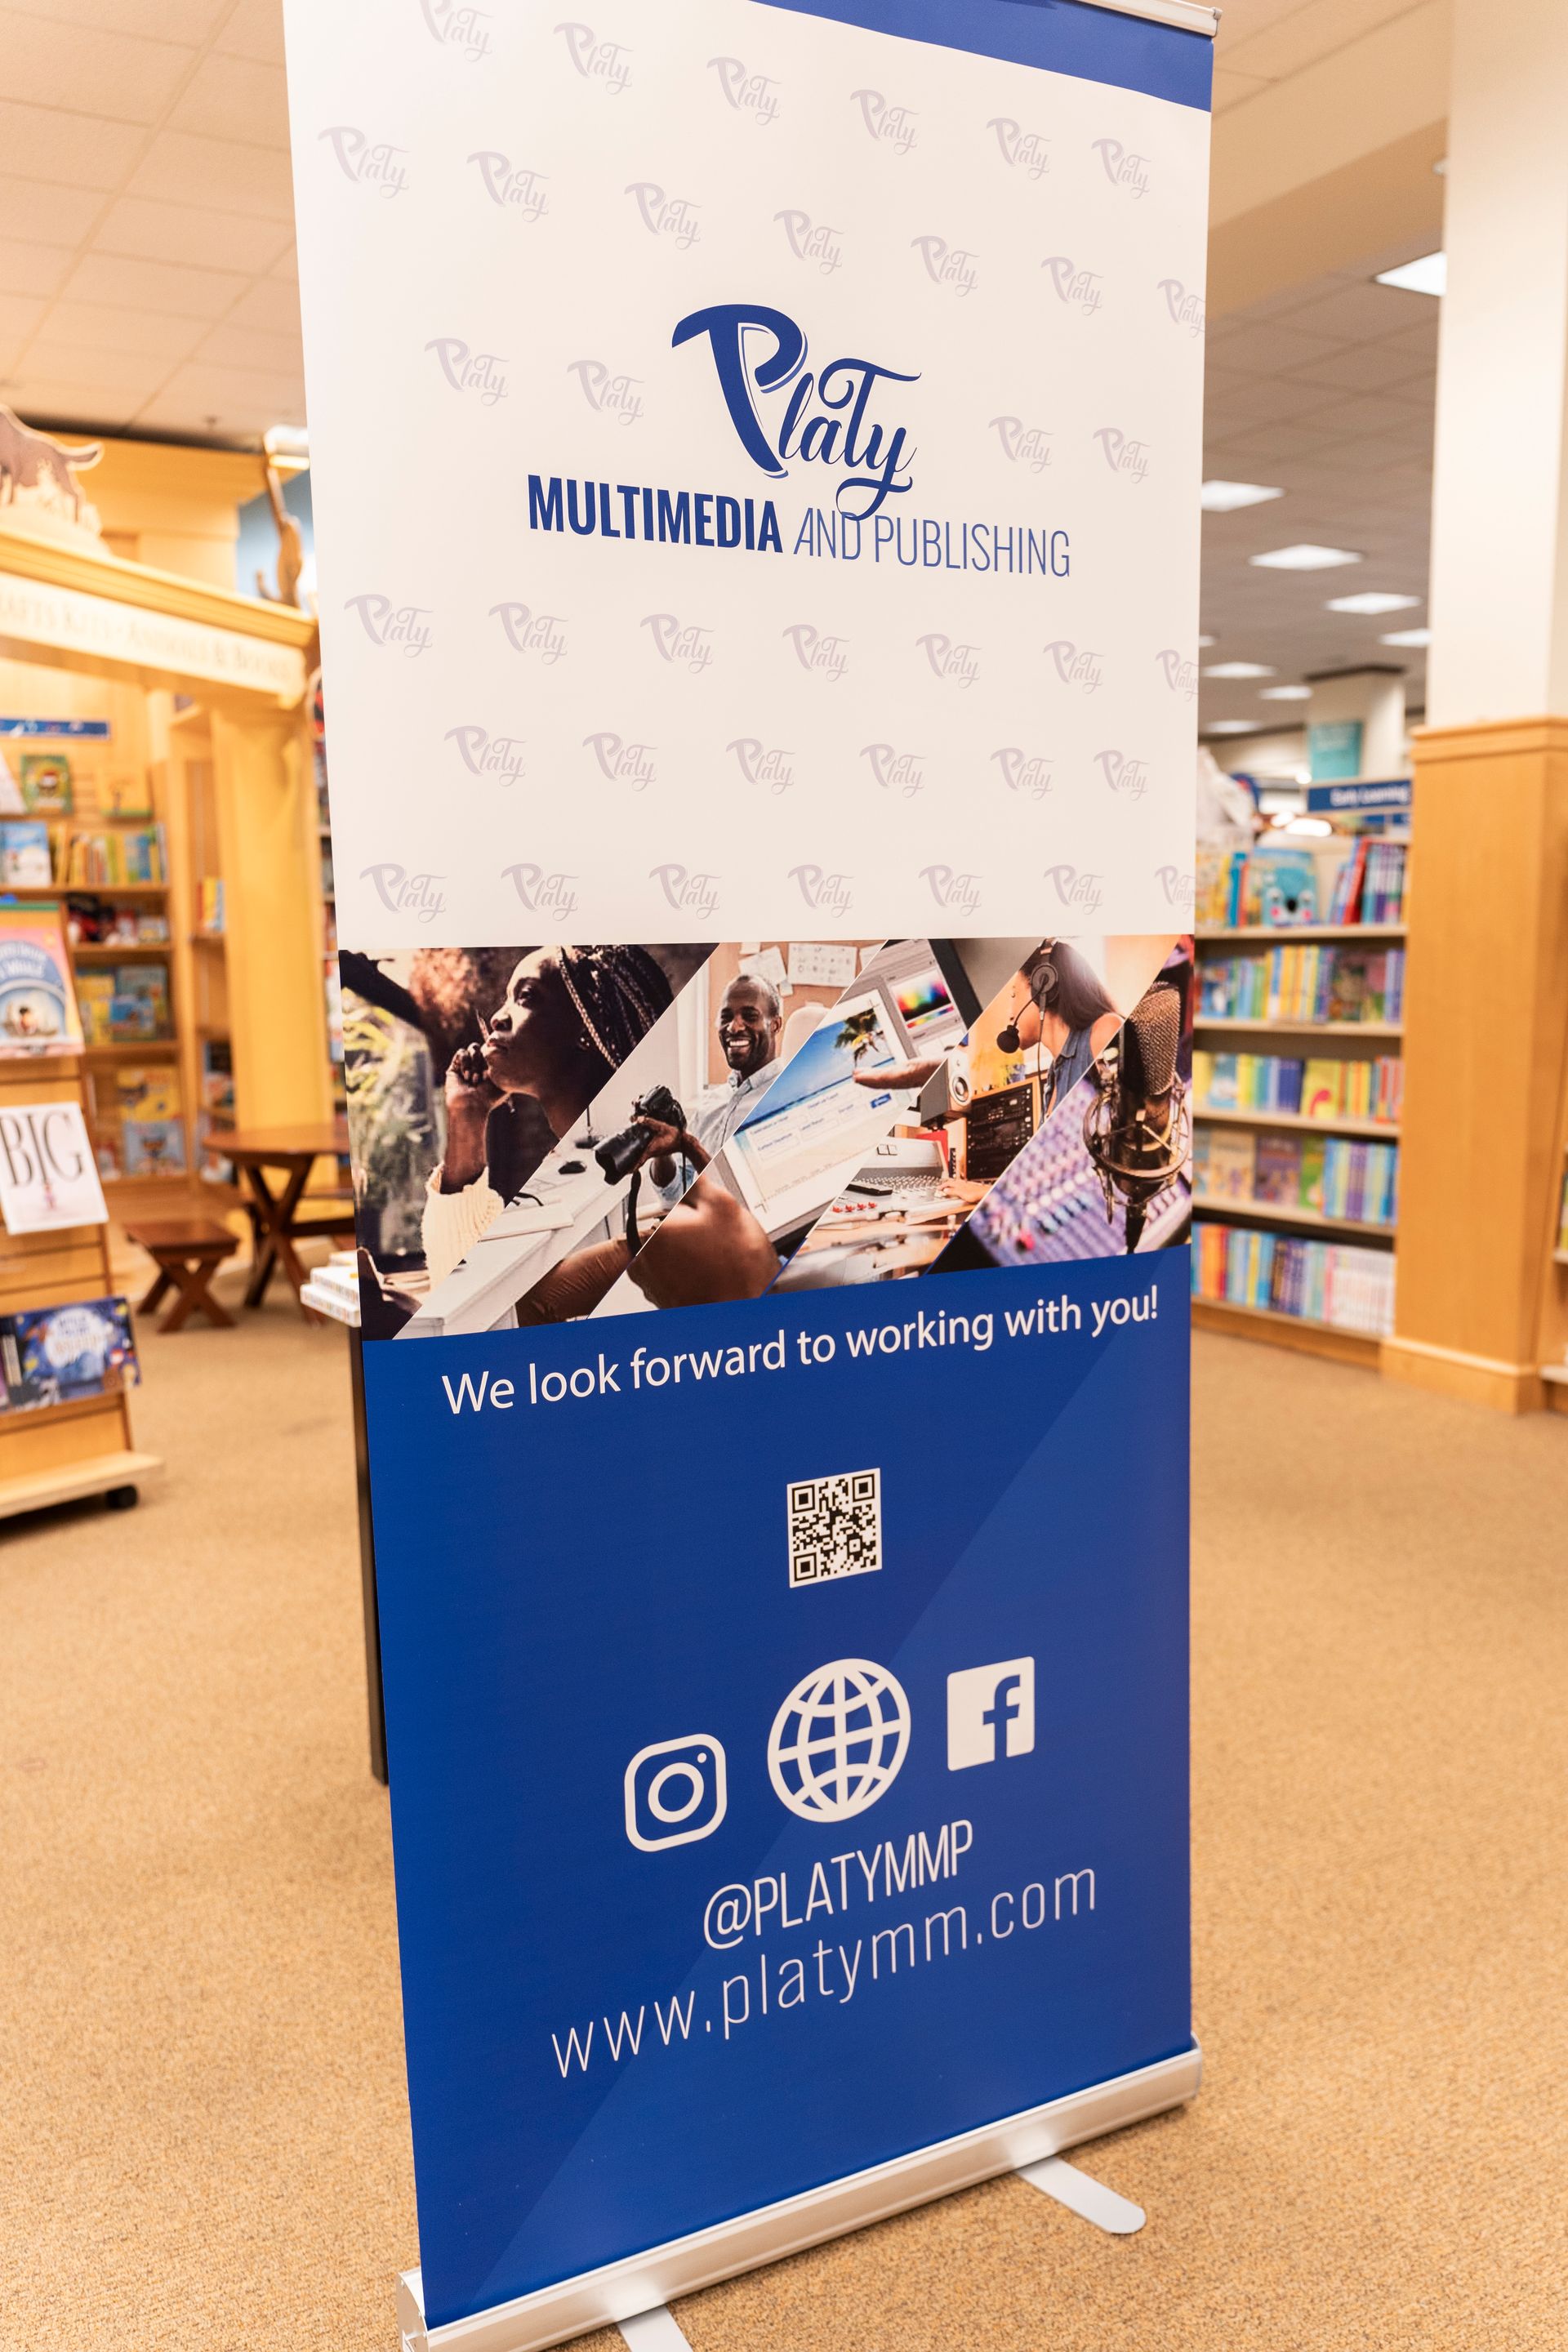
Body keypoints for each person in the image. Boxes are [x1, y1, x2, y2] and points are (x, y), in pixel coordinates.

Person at [421, 944, 671, 1286]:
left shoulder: (644, 1174)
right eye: (507, 999)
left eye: (525, 997)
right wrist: (468, 1118)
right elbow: (458, 1287)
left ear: (586, 1029)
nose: (497, 1017)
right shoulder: (571, 1164)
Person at [644, 970, 784, 1198]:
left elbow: (746, 1201)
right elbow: (673, 1195)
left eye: (750, 1016)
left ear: (775, 1025)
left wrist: (689, 1146)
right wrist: (662, 1150)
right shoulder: (712, 1103)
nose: (734, 1027)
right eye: (726, 1017)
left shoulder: (784, 1100)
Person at [999, 938, 1120, 1114]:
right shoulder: (1053, 1077)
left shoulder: (1104, 1031)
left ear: (1042, 986)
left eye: (1014, 995)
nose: (1010, 1014)